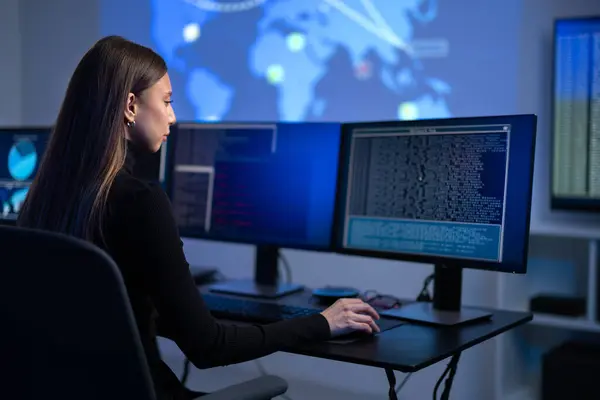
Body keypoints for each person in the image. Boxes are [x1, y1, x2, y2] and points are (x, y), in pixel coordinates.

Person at [17, 36, 380, 400]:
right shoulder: (139, 201)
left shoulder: (43, 201)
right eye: (167, 101)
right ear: (130, 106)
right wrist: (322, 322)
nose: (172, 117)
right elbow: (208, 347)